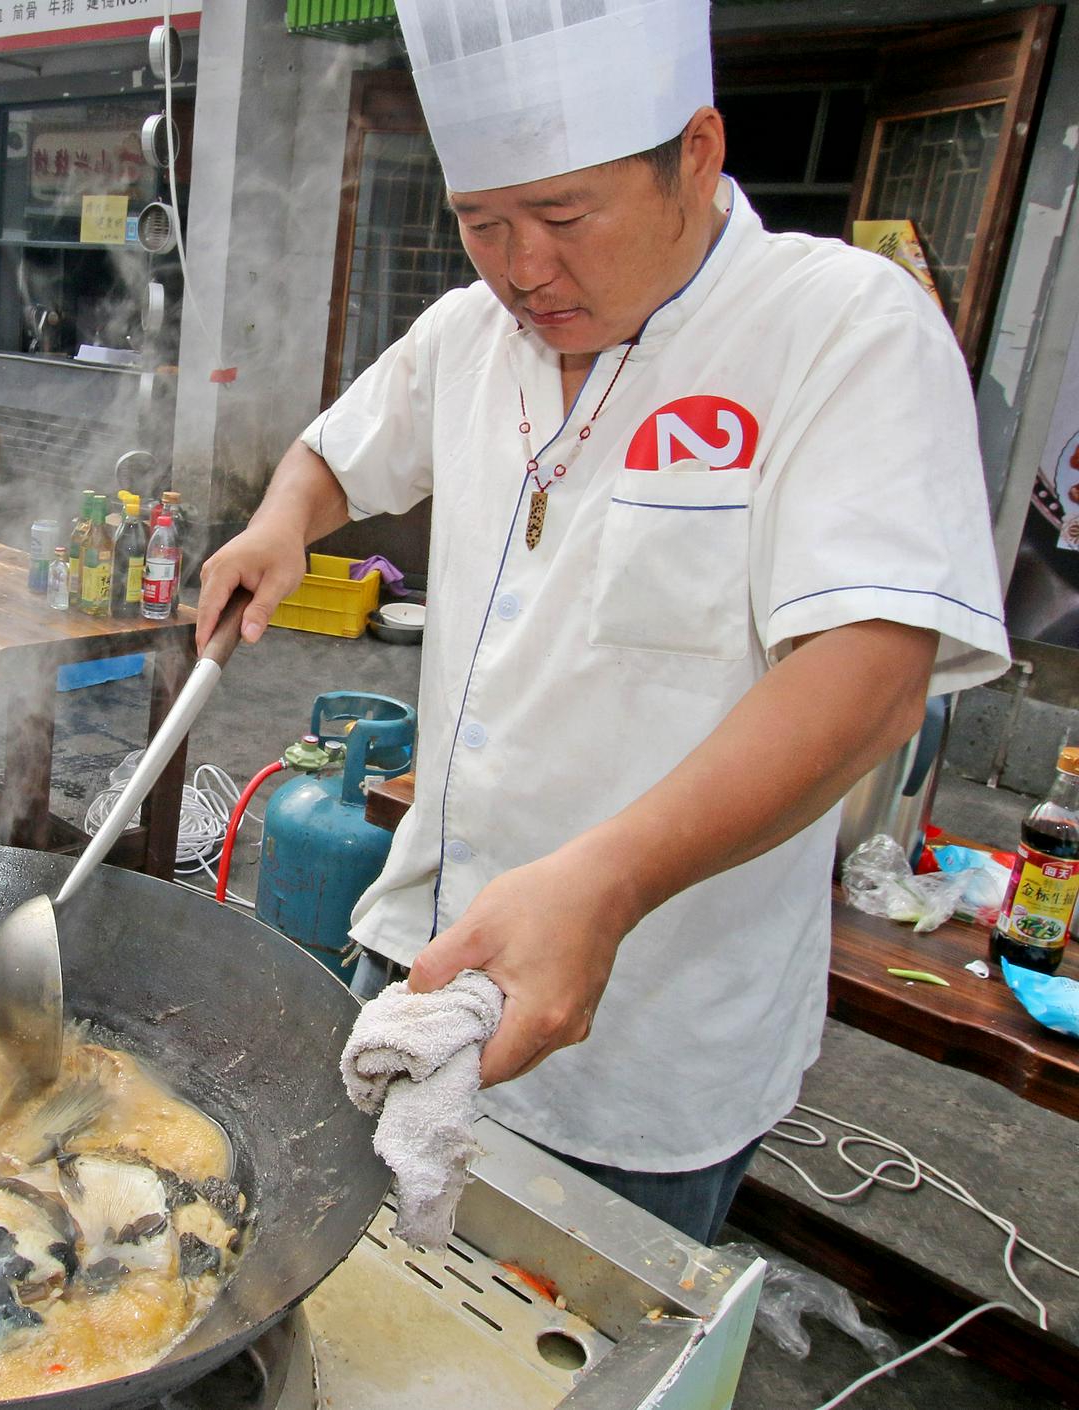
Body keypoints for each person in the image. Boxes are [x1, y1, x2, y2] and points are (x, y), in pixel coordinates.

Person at [195, 0, 1010, 1244]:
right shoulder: (469, 333)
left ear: (694, 153)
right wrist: (277, 523)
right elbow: (336, 452)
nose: (521, 267)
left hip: (646, 1040)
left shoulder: (842, 327)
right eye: (481, 223)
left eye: (564, 217)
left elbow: (871, 671)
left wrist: (605, 882)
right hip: (416, 962)